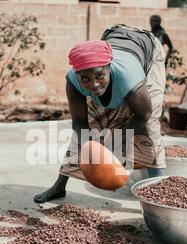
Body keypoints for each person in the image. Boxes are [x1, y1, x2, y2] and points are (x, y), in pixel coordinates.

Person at [34, 24, 167, 203]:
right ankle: (59, 186)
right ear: (78, 75)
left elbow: (143, 115)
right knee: (93, 124)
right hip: (114, 35)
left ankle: (159, 195)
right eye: (86, 79)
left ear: (109, 68)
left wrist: (113, 145)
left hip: (147, 47)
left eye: (99, 76)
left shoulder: (128, 77)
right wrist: (90, 153)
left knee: (149, 128)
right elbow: (80, 124)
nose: (94, 85)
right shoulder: (73, 81)